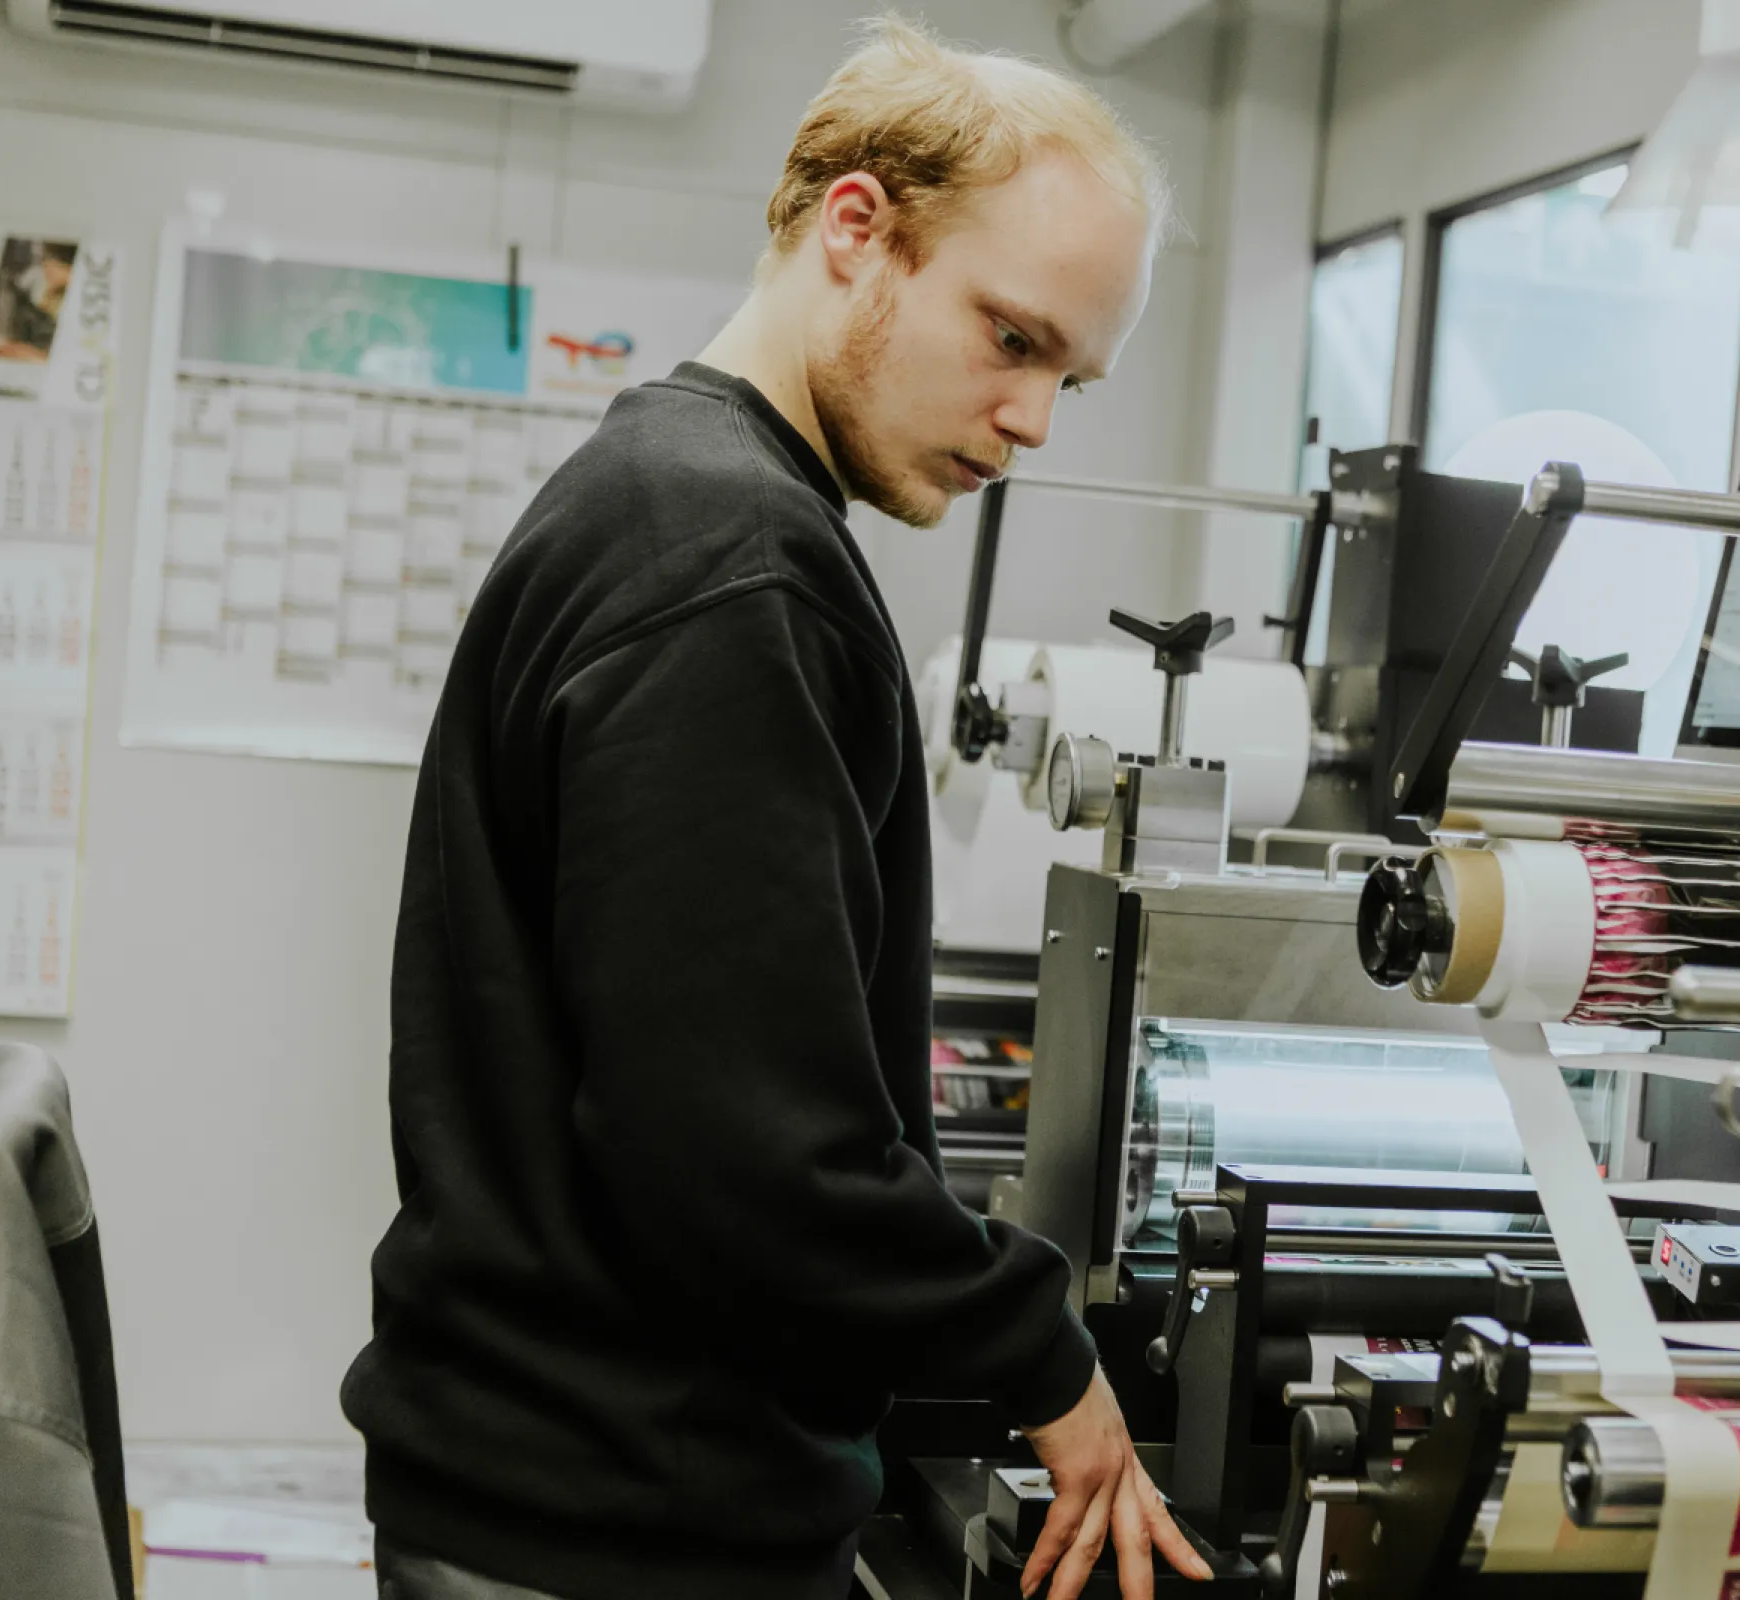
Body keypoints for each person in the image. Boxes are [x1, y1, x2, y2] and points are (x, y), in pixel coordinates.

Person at [341, 17, 1208, 1600]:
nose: (1034, 424)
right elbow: (751, 1159)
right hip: (620, 1535)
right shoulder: (734, 569)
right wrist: (1048, 1360)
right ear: (855, 228)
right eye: (1013, 340)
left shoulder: (672, 494)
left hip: (564, 1498)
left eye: (1068, 374)